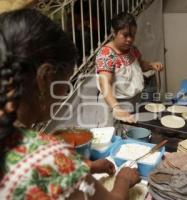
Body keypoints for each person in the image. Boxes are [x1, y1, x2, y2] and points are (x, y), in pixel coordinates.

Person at [0, 9, 140, 199]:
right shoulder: (49, 156)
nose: (65, 92)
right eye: (64, 82)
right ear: (44, 77)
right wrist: (124, 179)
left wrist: (86, 167)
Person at [95, 12, 163, 124]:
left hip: (134, 103)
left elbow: (139, 65)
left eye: (132, 35)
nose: (129, 39)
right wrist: (116, 108)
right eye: (125, 35)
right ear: (114, 33)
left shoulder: (132, 49)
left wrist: (151, 65)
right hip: (114, 106)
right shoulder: (106, 54)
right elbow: (104, 83)